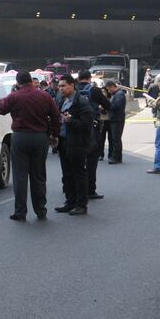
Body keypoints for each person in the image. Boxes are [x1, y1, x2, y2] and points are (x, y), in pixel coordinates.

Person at [0, 70, 60, 221]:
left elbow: (1, 109)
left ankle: (20, 212)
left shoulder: (14, 96)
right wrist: (54, 134)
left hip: (20, 137)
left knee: (20, 177)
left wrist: (12, 94)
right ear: (32, 81)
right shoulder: (44, 96)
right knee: (38, 175)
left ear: (18, 83)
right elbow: (55, 116)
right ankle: (41, 210)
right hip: (40, 137)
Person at [54, 74, 95, 216]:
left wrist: (71, 121)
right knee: (67, 174)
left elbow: (87, 124)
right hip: (64, 142)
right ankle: (69, 202)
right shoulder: (61, 100)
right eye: (59, 86)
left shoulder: (81, 102)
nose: (61, 89)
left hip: (77, 143)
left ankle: (81, 205)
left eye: (63, 86)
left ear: (72, 85)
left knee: (79, 174)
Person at [77, 70, 110, 199]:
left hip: (74, 128)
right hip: (92, 129)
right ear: (90, 78)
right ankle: (90, 190)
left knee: (75, 161)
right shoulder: (94, 90)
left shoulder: (72, 89)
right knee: (91, 161)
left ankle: (72, 189)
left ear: (78, 78)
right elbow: (108, 105)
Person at [105, 80, 127, 164]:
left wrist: (107, 105)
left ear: (112, 87)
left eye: (109, 89)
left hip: (117, 119)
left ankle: (116, 157)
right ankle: (118, 157)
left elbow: (116, 106)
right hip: (116, 119)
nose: (109, 91)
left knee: (116, 139)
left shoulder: (119, 95)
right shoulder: (116, 94)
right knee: (116, 139)